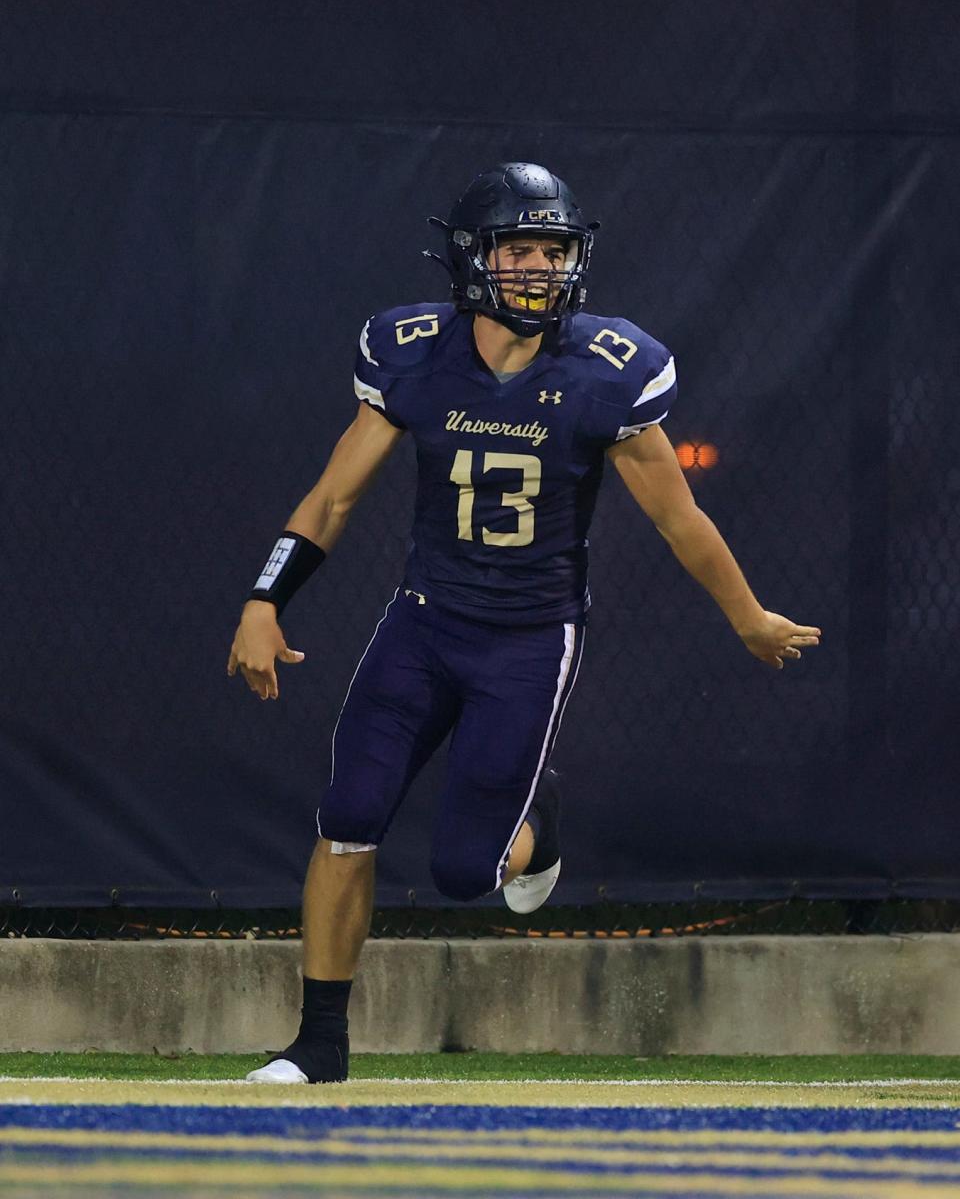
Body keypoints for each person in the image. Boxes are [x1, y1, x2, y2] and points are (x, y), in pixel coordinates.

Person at [228, 162, 820, 1084]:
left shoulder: (604, 370)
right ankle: (320, 1045)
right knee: (347, 816)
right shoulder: (413, 351)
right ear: (473, 259)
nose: (541, 269)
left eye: (555, 251)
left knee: (467, 873)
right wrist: (265, 600)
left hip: (529, 641)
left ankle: (537, 827)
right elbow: (334, 498)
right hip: (423, 624)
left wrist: (747, 617)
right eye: (521, 250)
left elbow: (678, 517)